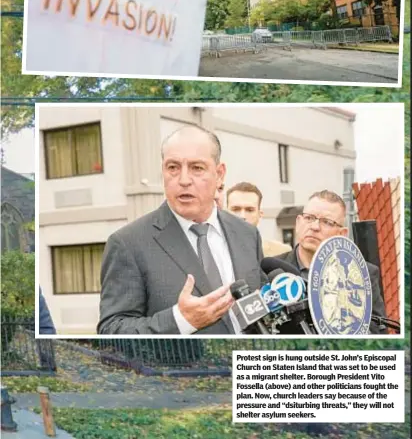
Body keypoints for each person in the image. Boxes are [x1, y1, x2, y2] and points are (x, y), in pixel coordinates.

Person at [98, 126, 267, 335]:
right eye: (173, 167)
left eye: (196, 168)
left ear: (220, 174)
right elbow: (112, 331)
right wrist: (180, 321)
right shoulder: (128, 244)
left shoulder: (247, 234)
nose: (184, 180)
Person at [276, 190, 387, 335]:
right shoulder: (272, 270)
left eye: (327, 222)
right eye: (309, 218)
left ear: (342, 233)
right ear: (298, 222)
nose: (314, 227)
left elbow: (377, 332)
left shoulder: (363, 273)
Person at [226, 182, 292, 256]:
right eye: (236, 209)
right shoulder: (214, 251)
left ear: (260, 215)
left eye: (249, 210)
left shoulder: (282, 252)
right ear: (225, 213)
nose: (242, 216)